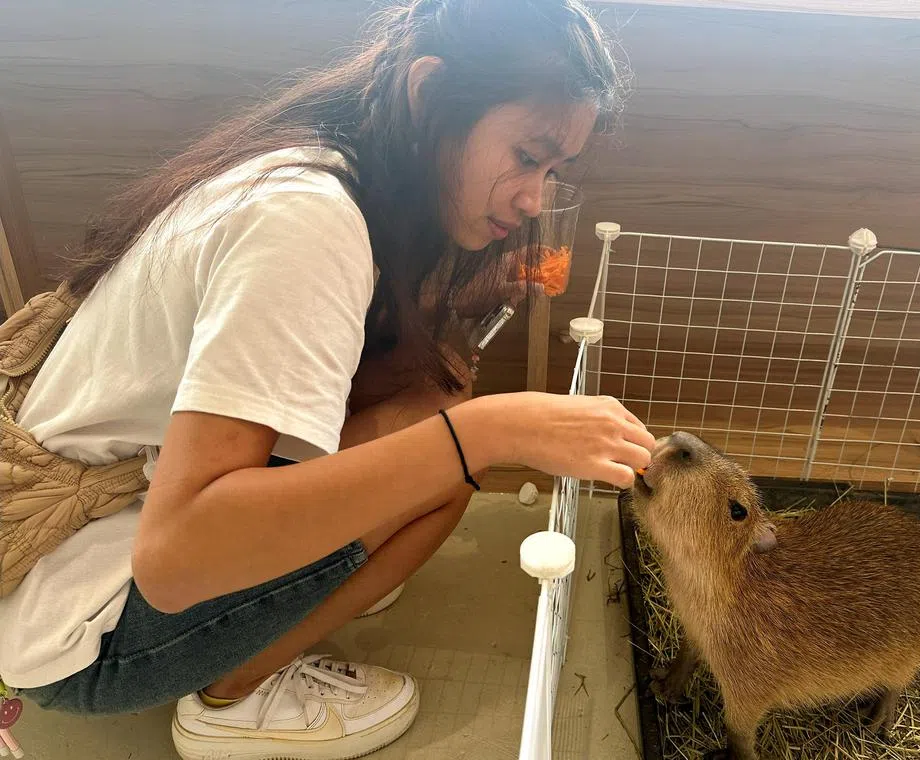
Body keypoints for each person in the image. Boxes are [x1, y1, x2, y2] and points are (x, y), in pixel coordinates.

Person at [0, 1, 653, 758]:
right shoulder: (305, 225)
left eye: (554, 171)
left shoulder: (318, 168)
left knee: (430, 409)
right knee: (441, 467)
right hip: (73, 631)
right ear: (429, 93)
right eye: (527, 155)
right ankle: (233, 694)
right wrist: (490, 433)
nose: (535, 198)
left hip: (65, 539)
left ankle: (312, 581)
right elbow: (175, 561)